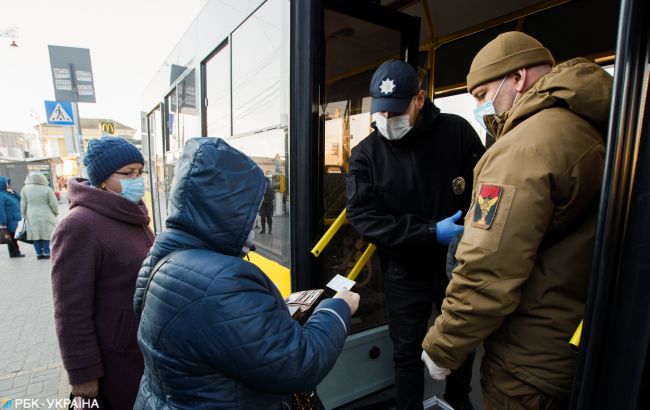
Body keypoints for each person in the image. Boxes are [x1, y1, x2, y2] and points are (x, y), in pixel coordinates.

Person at [421, 31, 612, 409]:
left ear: (518, 79)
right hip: (572, 337)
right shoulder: (589, 126)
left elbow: (488, 268)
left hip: (527, 359)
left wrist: (443, 345)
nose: (480, 107)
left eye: (480, 95)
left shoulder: (522, 147)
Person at [133, 137, 360, 409]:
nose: (253, 225)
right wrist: (337, 308)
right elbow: (298, 362)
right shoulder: (223, 281)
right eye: (249, 211)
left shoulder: (168, 260)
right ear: (225, 209)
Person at [346, 60, 486, 409]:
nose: (387, 120)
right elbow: (364, 216)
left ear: (419, 99)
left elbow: (486, 186)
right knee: (407, 352)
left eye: (396, 111)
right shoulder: (366, 154)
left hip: (456, 266)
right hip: (404, 270)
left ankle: (458, 400)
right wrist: (427, 232)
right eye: (381, 112)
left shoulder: (457, 133)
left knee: (458, 344)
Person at [51, 137, 155, 409]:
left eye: (139, 172)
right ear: (102, 179)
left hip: (142, 349)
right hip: (115, 360)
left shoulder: (132, 215)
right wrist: (83, 373)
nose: (137, 179)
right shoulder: (78, 226)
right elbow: (70, 310)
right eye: (127, 173)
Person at [20, 173, 58, 259]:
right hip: (46, 213)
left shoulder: (25, 189)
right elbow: (54, 203)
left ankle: (38, 253)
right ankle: (47, 252)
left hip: (31, 214)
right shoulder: (47, 189)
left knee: (35, 234)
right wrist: (55, 213)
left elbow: (23, 204)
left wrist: (23, 215)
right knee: (46, 233)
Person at [0, 176, 24, 258]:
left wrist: (13, 192)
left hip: (15, 219)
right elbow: (1, 210)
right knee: (11, 237)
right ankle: (14, 253)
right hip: (9, 220)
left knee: (14, 236)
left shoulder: (8, 193)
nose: (8, 185)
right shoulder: (1, 195)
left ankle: (15, 252)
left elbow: (20, 198)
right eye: (6, 183)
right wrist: (3, 223)